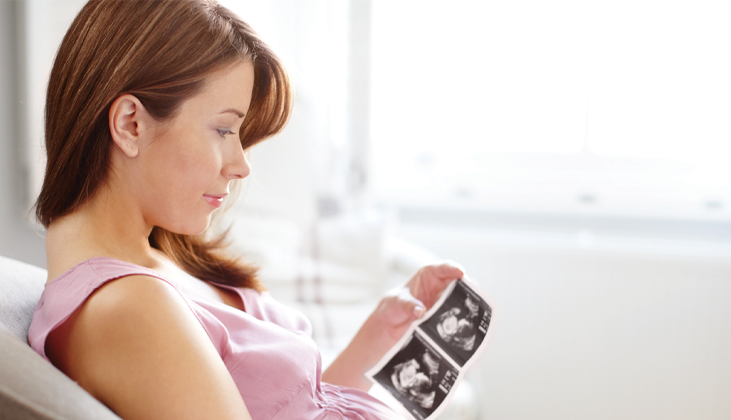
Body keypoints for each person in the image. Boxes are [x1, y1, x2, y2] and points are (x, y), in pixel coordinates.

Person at [26, 1, 464, 419]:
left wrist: (377, 336)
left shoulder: (152, 260)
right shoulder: (129, 308)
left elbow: (293, 409)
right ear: (130, 124)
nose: (242, 165)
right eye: (223, 129)